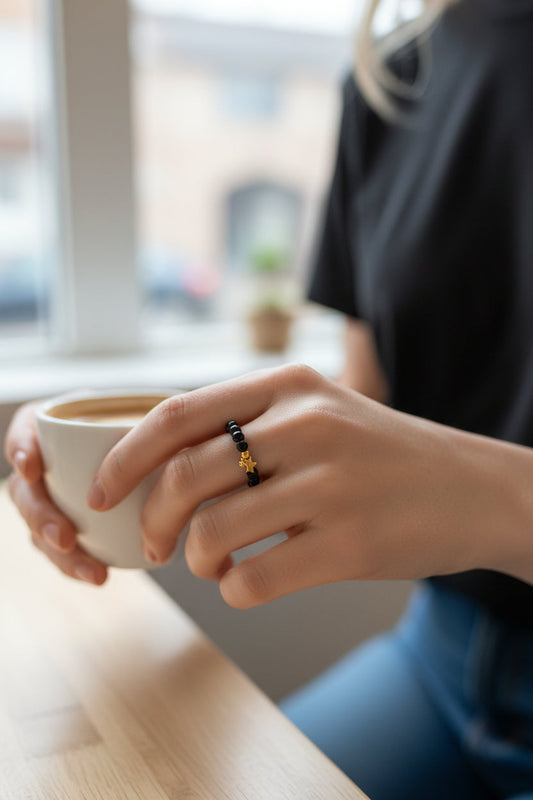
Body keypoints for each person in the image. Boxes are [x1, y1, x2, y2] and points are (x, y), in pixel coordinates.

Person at [4, 0, 533, 797]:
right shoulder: (391, 82)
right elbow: (372, 414)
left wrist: (498, 498)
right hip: (441, 657)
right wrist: (145, 454)